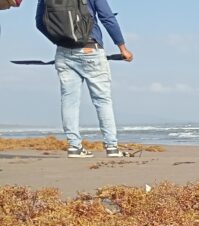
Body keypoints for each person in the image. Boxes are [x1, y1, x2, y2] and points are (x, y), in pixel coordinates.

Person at [36, 0, 133, 158]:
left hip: (63, 52)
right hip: (91, 48)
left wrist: (61, 40)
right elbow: (107, 17)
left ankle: (74, 147)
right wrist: (122, 48)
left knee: (69, 101)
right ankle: (112, 147)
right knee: (102, 100)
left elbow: (40, 23)